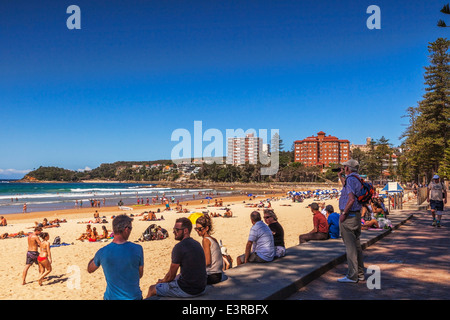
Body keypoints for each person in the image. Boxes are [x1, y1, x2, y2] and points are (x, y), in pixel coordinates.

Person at [146, 217, 206, 298]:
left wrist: (161, 281)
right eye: (174, 229)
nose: (174, 232)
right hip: (201, 288)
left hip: (188, 290)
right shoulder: (197, 244)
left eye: (177, 230)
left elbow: (171, 275)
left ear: (185, 231)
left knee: (152, 289)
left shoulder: (179, 247)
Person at [87, 214, 144, 300]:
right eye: (131, 228)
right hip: (134, 297)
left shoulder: (102, 252)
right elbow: (139, 274)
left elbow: (90, 269)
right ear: (126, 229)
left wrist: (97, 256)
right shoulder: (138, 249)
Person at [337, 159, 365, 283]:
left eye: (345, 167)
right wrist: (341, 177)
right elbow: (348, 188)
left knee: (350, 247)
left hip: (349, 216)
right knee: (357, 246)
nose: (344, 168)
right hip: (356, 215)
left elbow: (351, 199)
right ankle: (360, 273)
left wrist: (344, 213)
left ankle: (352, 276)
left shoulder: (350, 179)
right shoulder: (357, 178)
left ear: (348, 168)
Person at [195, 214, 224, 284]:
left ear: (206, 228)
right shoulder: (213, 239)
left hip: (211, 275)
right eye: (196, 229)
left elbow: (207, 262)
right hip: (218, 274)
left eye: (199, 229)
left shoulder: (205, 240)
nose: (197, 231)